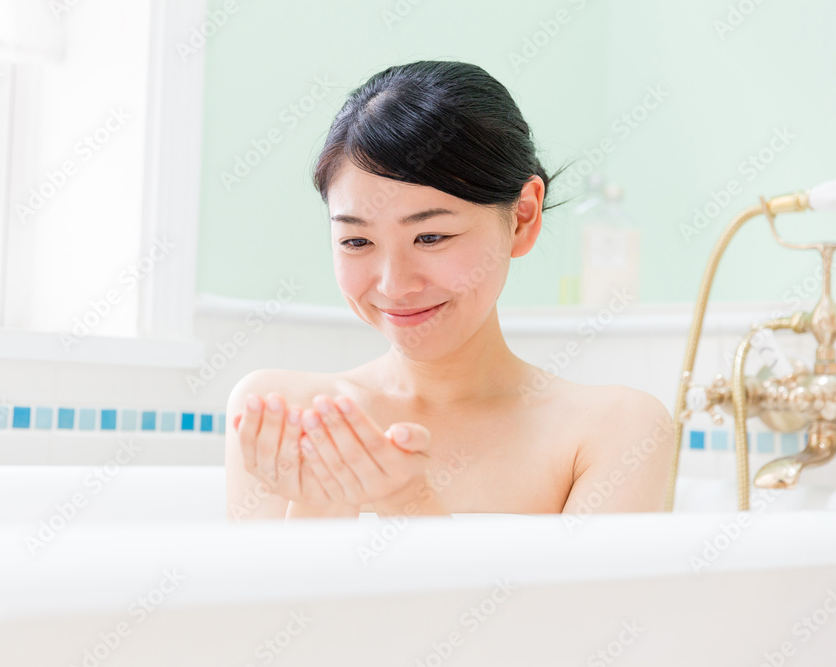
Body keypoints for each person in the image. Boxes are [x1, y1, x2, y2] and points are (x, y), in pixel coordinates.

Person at [224, 60, 674, 522]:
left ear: (522, 217)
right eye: (356, 241)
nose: (394, 285)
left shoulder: (615, 430)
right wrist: (320, 503)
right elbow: (263, 596)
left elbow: (573, 600)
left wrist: (407, 502)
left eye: (431, 237)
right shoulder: (282, 412)